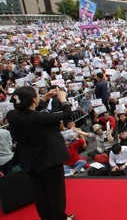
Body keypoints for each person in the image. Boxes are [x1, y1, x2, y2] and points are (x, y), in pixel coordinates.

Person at [6, 86, 75, 220]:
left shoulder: (12, 116)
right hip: (49, 160)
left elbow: (28, 112)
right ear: (33, 100)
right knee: (55, 193)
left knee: (40, 193)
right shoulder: (40, 118)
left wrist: (44, 98)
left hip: (29, 161)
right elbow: (67, 114)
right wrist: (63, 99)